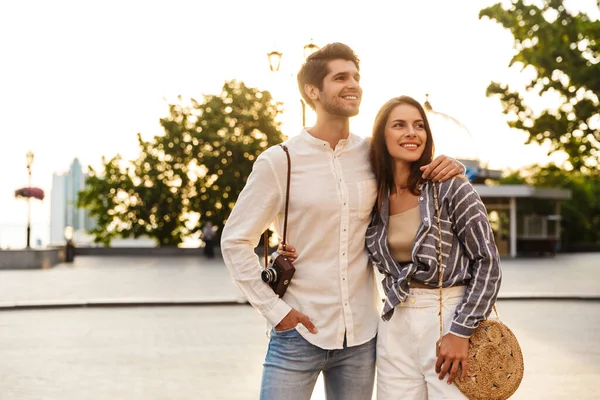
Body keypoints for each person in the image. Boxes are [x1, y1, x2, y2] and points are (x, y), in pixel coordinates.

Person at [220, 43, 464, 400]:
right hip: (298, 333)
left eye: (356, 77)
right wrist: (276, 312)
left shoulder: (373, 155)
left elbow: (416, 169)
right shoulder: (280, 161)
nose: (353, 84)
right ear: (312, 91)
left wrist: (452, 165)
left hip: (361, 339)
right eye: (340, 77)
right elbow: (235, 240)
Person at [365, 95, 502, 399]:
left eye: (419, 126)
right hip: (395, 322)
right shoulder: (373, 194)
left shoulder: (450, 186)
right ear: (380, 135)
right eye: (398, 125)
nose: (411, 132)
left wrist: (461, 330)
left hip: (449, 316)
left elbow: (487, 262)